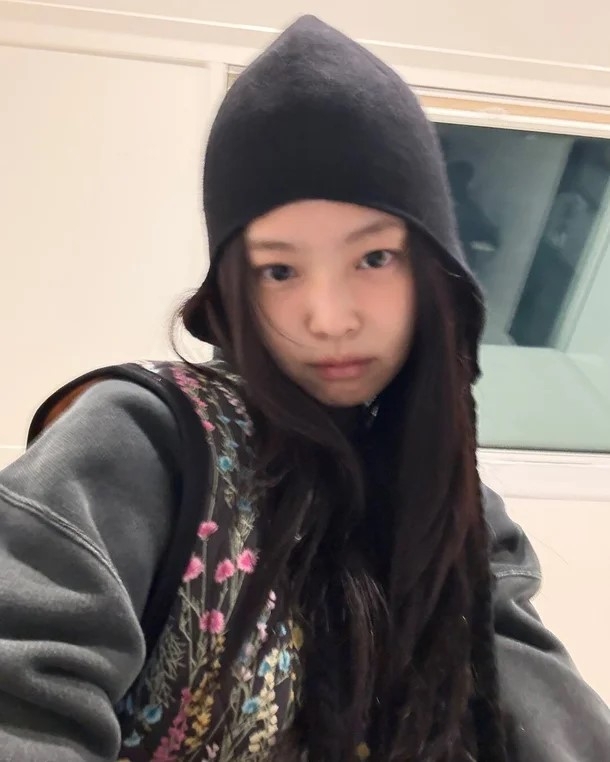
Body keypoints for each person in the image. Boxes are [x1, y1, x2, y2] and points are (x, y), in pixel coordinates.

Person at [0, 14, 608, 762]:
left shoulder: (463, 513)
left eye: (374, 258)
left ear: (433, 274)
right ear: (236, 288)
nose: (329, 318)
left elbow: (543, 719)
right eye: (281, 270)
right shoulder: (143, 445)